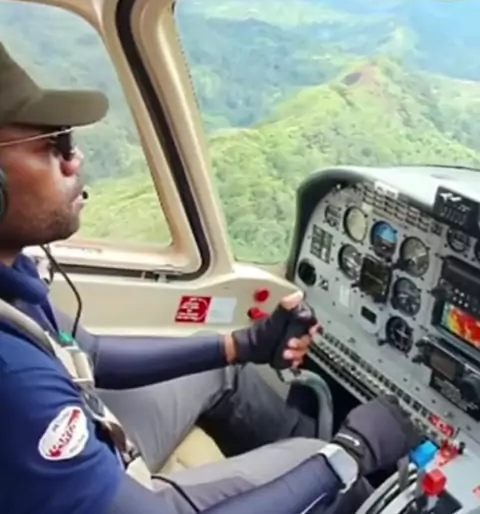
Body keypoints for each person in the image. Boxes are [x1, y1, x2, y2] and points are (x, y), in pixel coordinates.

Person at [0, 44, 421, 514]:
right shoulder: (14, 378)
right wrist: (347, 456)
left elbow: (90, 354)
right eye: (53, 144)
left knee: (223, 367)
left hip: (76, 443)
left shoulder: (11, 278)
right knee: (320, 463)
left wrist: (241, 344)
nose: (74, 160)